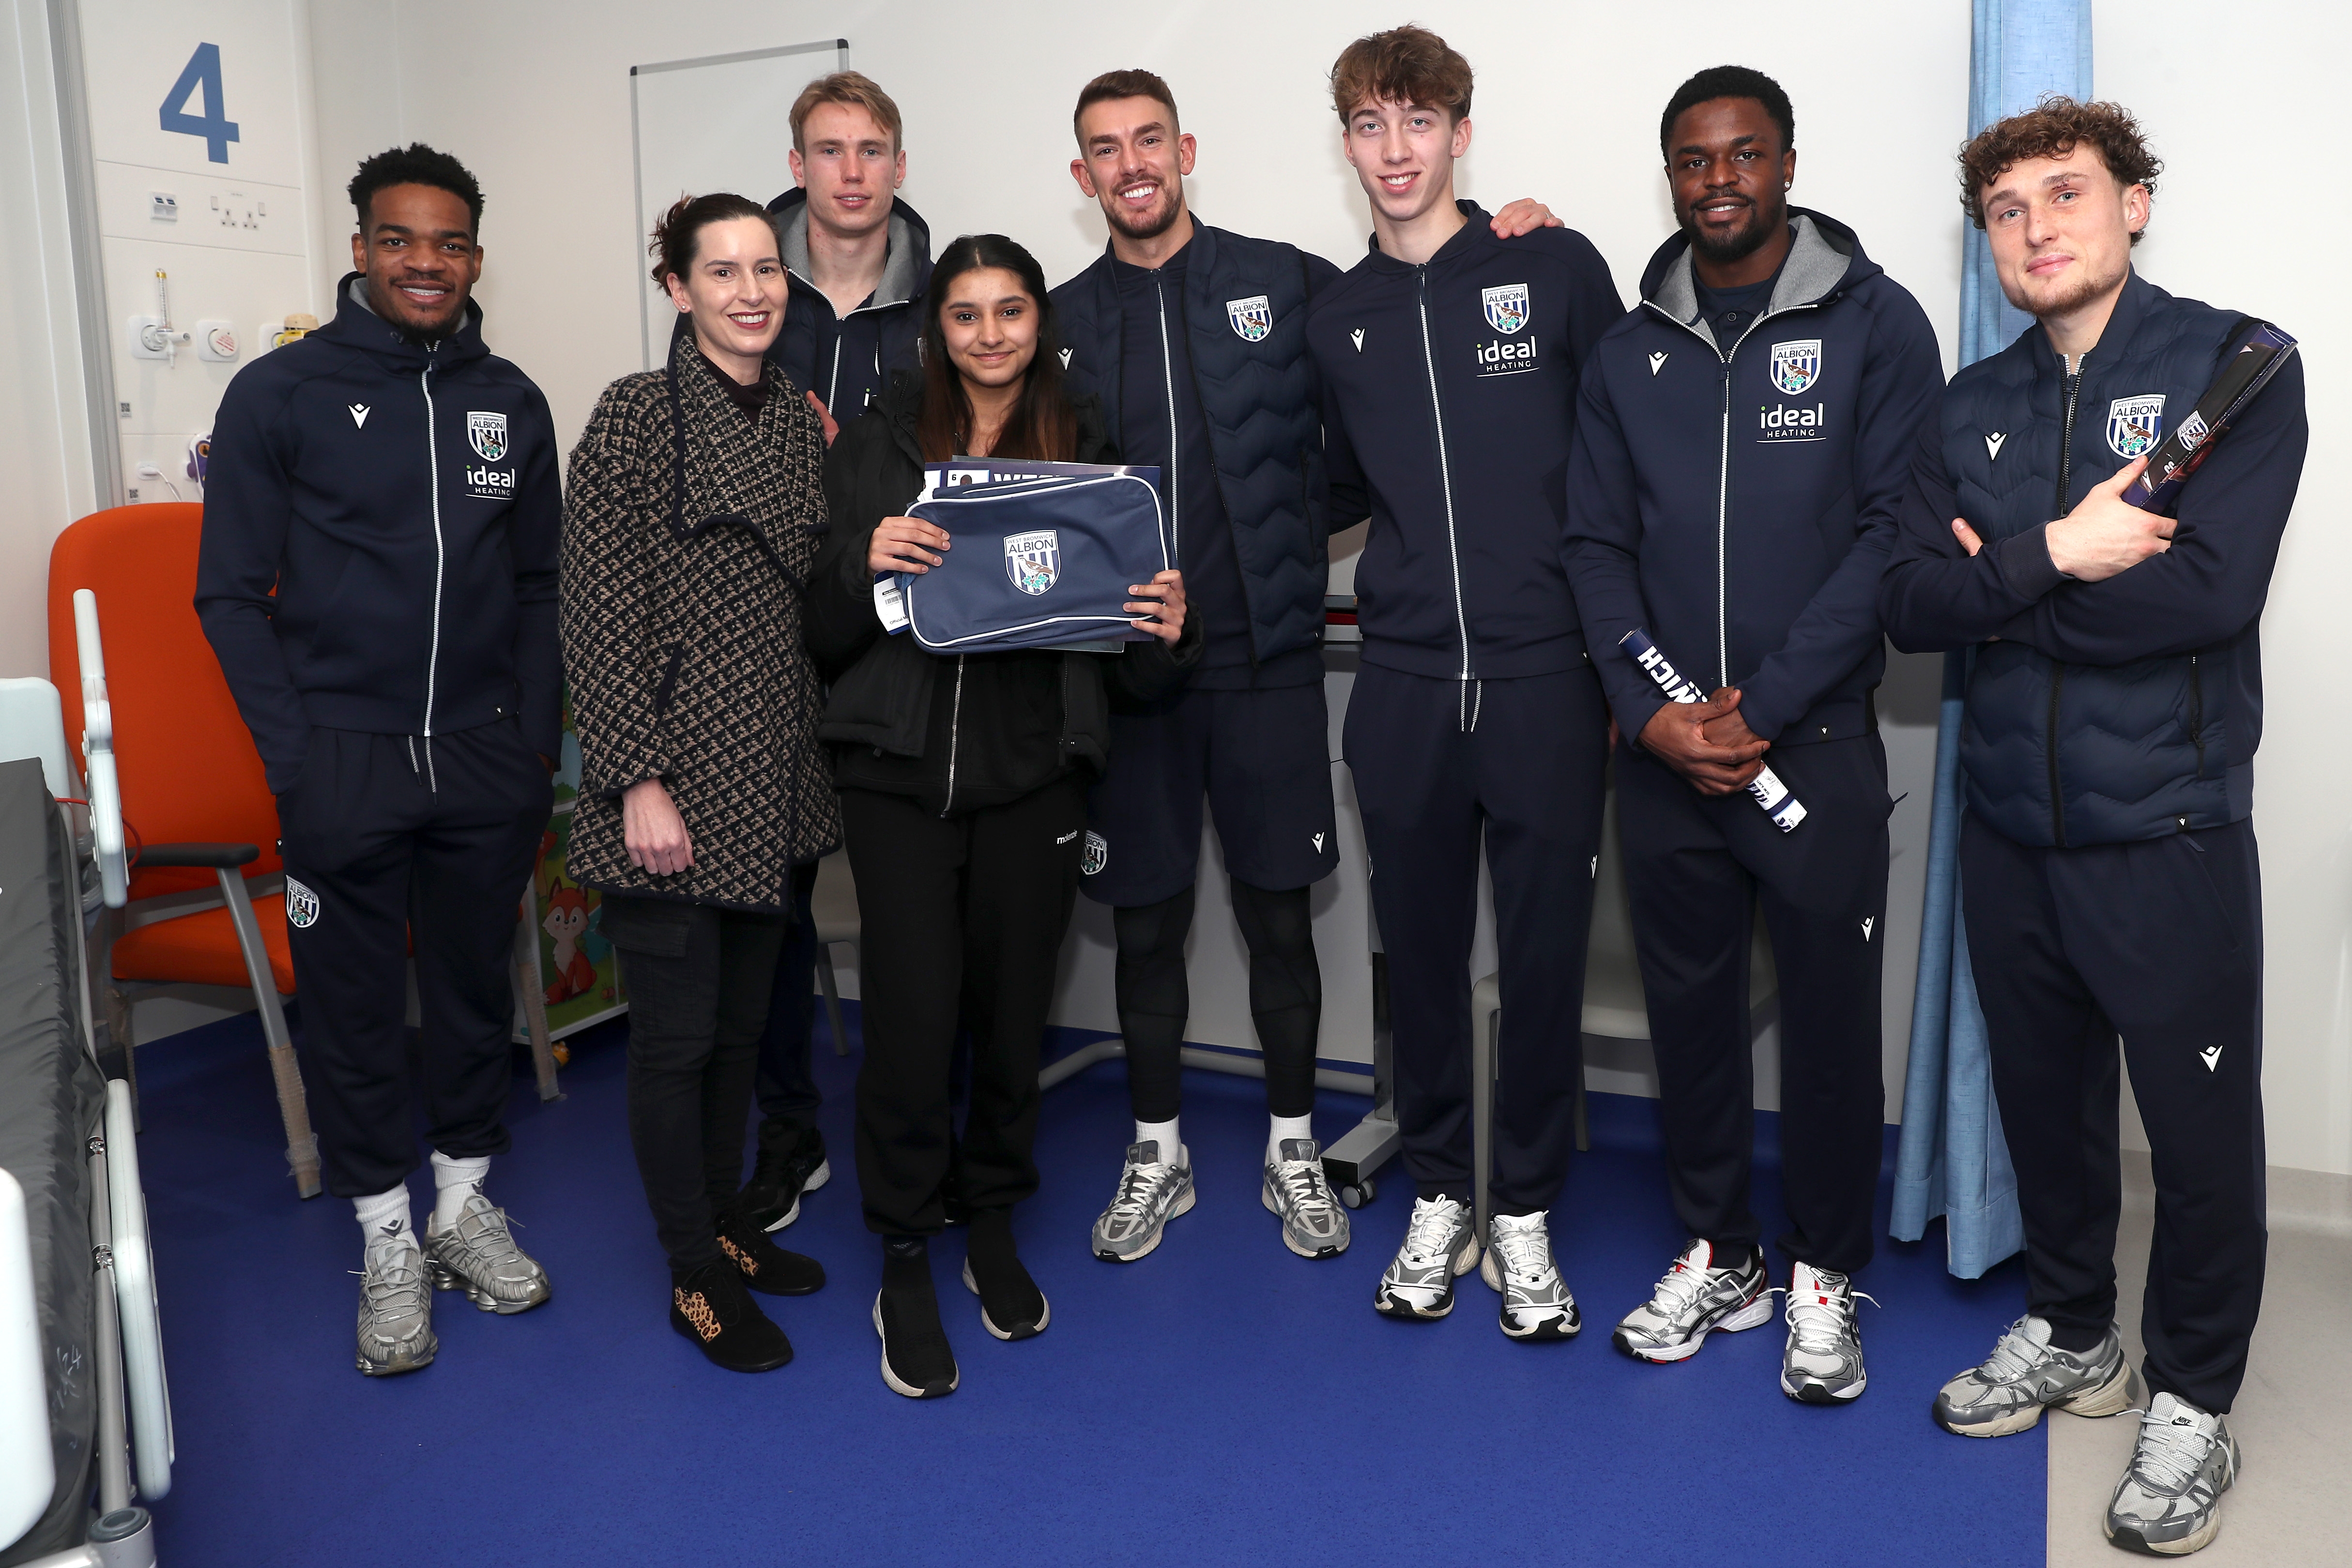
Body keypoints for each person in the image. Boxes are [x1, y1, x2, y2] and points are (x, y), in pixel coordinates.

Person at [1054, 69, 1572, 1268]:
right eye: (1102, 150)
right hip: (1129, 683)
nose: (1130, 164)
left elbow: (1409, 346)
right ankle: (1156, 1152)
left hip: (1269, 664)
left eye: (1147, 141)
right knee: (1144, 928)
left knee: (1277, 923)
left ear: (1184, 150)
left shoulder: (1289, 284)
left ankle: (1294, 1146)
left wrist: (1512, 231)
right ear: (1081, 177)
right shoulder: (1059, 314)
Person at [1879, 99, 2304, 1555]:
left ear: (2135, 205)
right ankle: (2074, 1331)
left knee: (2193, 1138)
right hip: (2006, 828)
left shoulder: (2236, 368)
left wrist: (2001, 587)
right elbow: (1910, 611)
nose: (2039, 225)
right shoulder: (1967, 406)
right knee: (2045, 1119)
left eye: (2067, 194)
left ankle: (2192, 1397)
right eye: (2007, 208)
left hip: (2165, 834)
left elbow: (2207, 599)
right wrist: (2061, 554)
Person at [1561, 66, 1943, 1402]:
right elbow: (1593, 549)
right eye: (1692, 161)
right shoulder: (1625, 349)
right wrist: (1655, 713)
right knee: (1694, 1022)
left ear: (1786, 162)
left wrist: (1761, 711)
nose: (1717, 181)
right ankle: (1721, 1248)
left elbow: (1891, 537)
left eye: (1743, 156)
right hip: (1666, 762)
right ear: (1669, 174)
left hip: (1815, 748)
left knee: (1834, 1027)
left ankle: (1825, 1273)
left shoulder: (1876, 326)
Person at [802, 233, 1197, 1398]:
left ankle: (990, 1223)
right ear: (934, 330)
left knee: (1012, 1024)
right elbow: (824, 633)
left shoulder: (1087, 447)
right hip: (896, 776)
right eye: (964, 315)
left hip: (1037, 779)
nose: (988, 335)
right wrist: (867, 566)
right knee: (915, 1026)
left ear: (1040, 322)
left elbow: (1134, 668)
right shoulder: (877, 442)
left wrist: (1162, 629)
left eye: (1009, 312)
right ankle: (905, 1249)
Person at [197, 144, 557, 1376]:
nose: (425, 263)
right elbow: (230, 597)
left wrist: (532, 738)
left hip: (483, 759)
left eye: (449, 243)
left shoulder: (509, 398)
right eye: (400, 240)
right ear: (359, 248)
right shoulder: (279, 394)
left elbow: (540, 585)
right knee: (352, 1010)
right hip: (342, 762)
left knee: (468, 991)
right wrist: (296, 757)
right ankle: (385, 1236)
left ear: (472, 256)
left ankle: (461, 1205)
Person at [1306, 27, 1621, 1339]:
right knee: (1420, 959)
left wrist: (1628, 663)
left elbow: (1625, 462)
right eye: (1371, 126)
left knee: (1543, 962)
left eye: (1417, 122)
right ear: (1348, 144)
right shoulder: (1339, 314)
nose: (1394, 151)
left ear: (1459, 133)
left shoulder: (1551, 267)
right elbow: (1313, 494)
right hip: (1404, 684)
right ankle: (1441, 1190)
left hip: (1550, 678)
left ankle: (1528, 1214)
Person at [562, 194, 840, 1373]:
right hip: (672, 781)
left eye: (766, 268)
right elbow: (594, 611)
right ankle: (691, 1275)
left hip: (775, 779)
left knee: (737, 1039)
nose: (749, 291)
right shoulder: (633, 416)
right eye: (720, 272)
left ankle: (726, 1223)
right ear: (676, 288)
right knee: (674, 1048)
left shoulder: (793, 418)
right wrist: (633, 779)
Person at [734, 70, 936, 1240]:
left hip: (907, 652)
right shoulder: (746, 293)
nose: (852, 171)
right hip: (771, 650)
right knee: (771, 915)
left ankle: (928, 1134)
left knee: (924, 918)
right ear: (798, 165)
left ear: (897, 168)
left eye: (872, 150)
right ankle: (790, 1134)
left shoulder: (945, 300)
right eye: (829, 150)